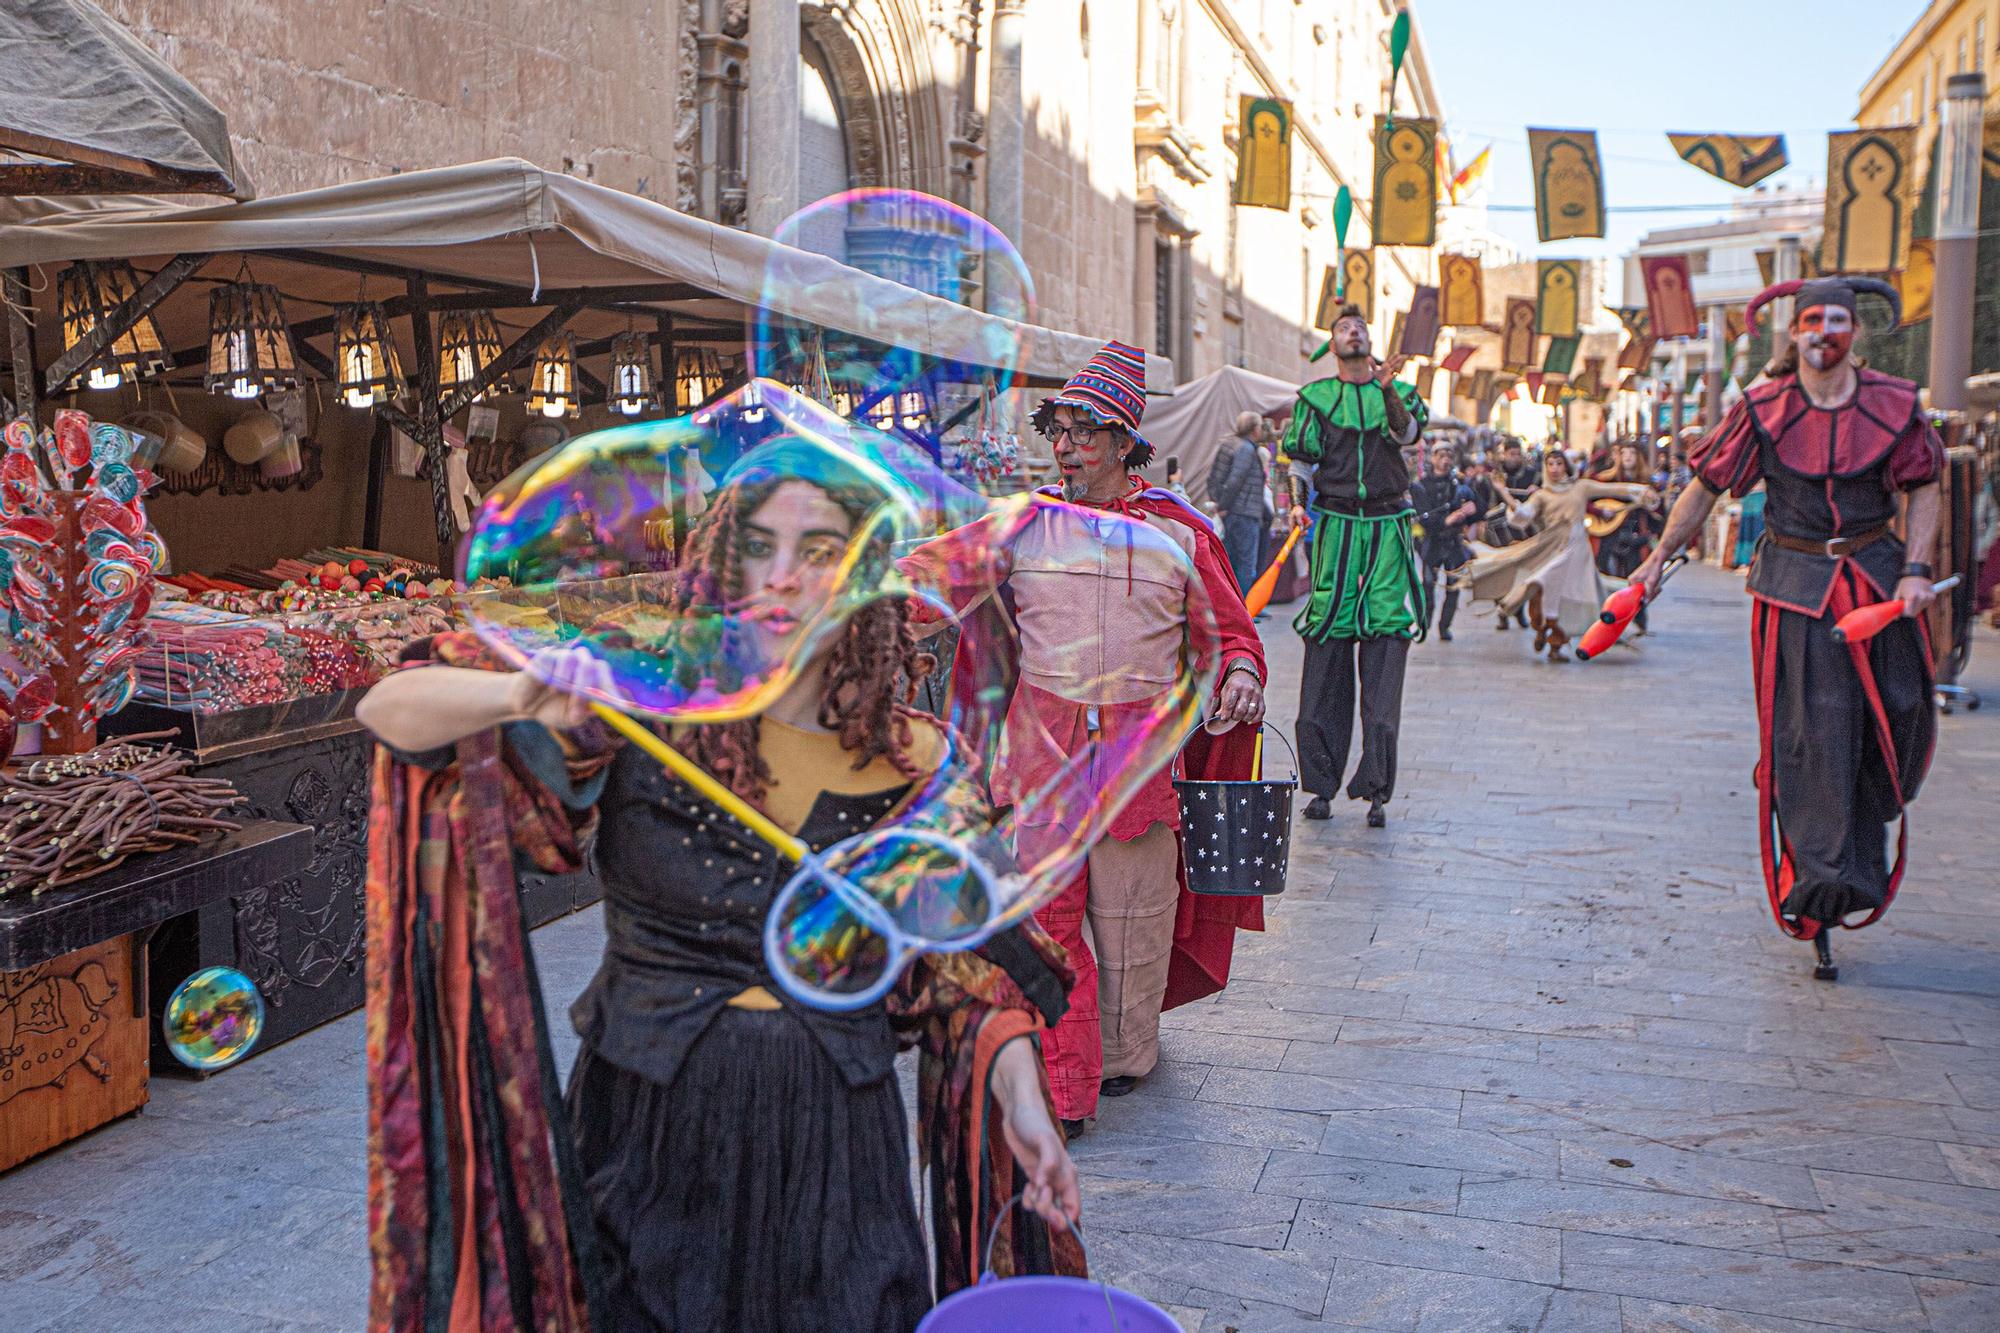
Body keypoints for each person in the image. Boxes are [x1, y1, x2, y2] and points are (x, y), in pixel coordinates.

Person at [357, 437, 1083, 1331]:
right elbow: (386, 710)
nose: (782, 575)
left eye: (819, 549)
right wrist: (521, 696)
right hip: (649, 1127)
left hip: (835, 1142)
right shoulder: (643, 707)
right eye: (757, 545)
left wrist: (1022, 1102)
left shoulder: (919, 763)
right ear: (718, 559)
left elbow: (971, 977)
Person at [904, 340, 1268, 1132]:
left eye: (1082, 431)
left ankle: (1123, 1053)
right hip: (1039, 766)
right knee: (1048, 929)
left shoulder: (1182, 534)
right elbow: (928, 579)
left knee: (1135, 928)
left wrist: (1241, 672)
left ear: (1123, 442)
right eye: (1058, 431)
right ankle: (1064, 1088)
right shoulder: (1025, 524)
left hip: (1138, 775)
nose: (1063, 447)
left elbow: (1234, 634)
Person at [1631, 275, 1943, 982]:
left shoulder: (1895, 403)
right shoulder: (1762, 408)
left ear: (1853, 332)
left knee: (1899, 720)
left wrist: (1918, 566)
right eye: (1811, 321)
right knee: (1815, 738)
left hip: (1877, 580)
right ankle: (1824, 889)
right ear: (1794, 334)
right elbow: (1705, 487)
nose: (1824, 332)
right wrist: (1654, 562)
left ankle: (1859, 847)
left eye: (1837, 319)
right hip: (1796, 591)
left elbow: (1924, 482)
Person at [1283, 304, 1427, 828]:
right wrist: (1297, 501)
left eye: (1361, 326)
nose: (1354, 331)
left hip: (1388, 526)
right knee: (1327, 639)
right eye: (1345, 327)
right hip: (1336, 526)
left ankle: (1376, 789)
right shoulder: (1316, 399)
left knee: (1386, 639)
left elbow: (1407, 435)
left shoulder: (1399, 392)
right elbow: (1300, 459)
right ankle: (1320, 784)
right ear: (1332, 342)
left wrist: (1388, 388)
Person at [1459, 449, 1657, 662]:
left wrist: (1641, 491)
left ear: (1566, 466)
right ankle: (1544, 629)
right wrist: (1503, 492)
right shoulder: (1542, 495)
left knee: (1568, 596)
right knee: (1544, 586)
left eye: (1558, 464)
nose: (1554, 469)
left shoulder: (1581, 487)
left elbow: (1613, 489)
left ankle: (1556, 640)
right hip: (1554, 550)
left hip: (1578, 552)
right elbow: (1522, 515)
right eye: (1550, 464)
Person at [1591, 441, 1664, 634]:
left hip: (1636, 533)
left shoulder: (1649, 483)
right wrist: (1600, 511)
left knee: (1635, 576)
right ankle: (1609, 620)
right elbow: (1590, 499)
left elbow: (1659, 512)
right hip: (1610, 534)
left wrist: (1653, 508)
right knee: (1607, 573)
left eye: (1632, 453)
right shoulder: (1607, 480)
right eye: (1624, 453)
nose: (1628, 457)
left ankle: (1638, 619)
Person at [1410, 442, 1479, 641]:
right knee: (1428, 585)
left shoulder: (1459, 484)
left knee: (1453, 585)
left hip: (1454, 543)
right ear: (1433, 458)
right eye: (1441, 455)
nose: (1445, 460)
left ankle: (1444, 626)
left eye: (1449, 455)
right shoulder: (1422, 485)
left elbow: (1477, 506)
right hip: (1431, 542)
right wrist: (1445, 520)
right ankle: (1425, 624)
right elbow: (1424, 516)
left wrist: (1471, 510)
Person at [1207, 409, 1271, 591]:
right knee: (1245, 564)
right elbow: (1236, 479)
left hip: (1232, 512)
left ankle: (1232, 608)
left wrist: (1219, 503)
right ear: (1254, 429)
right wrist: (1223, 505)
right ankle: (1243, 610)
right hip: (1244, 513)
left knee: (1231, 562)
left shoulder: (1228, 444)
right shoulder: (1246, 449)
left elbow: (1213, 478)